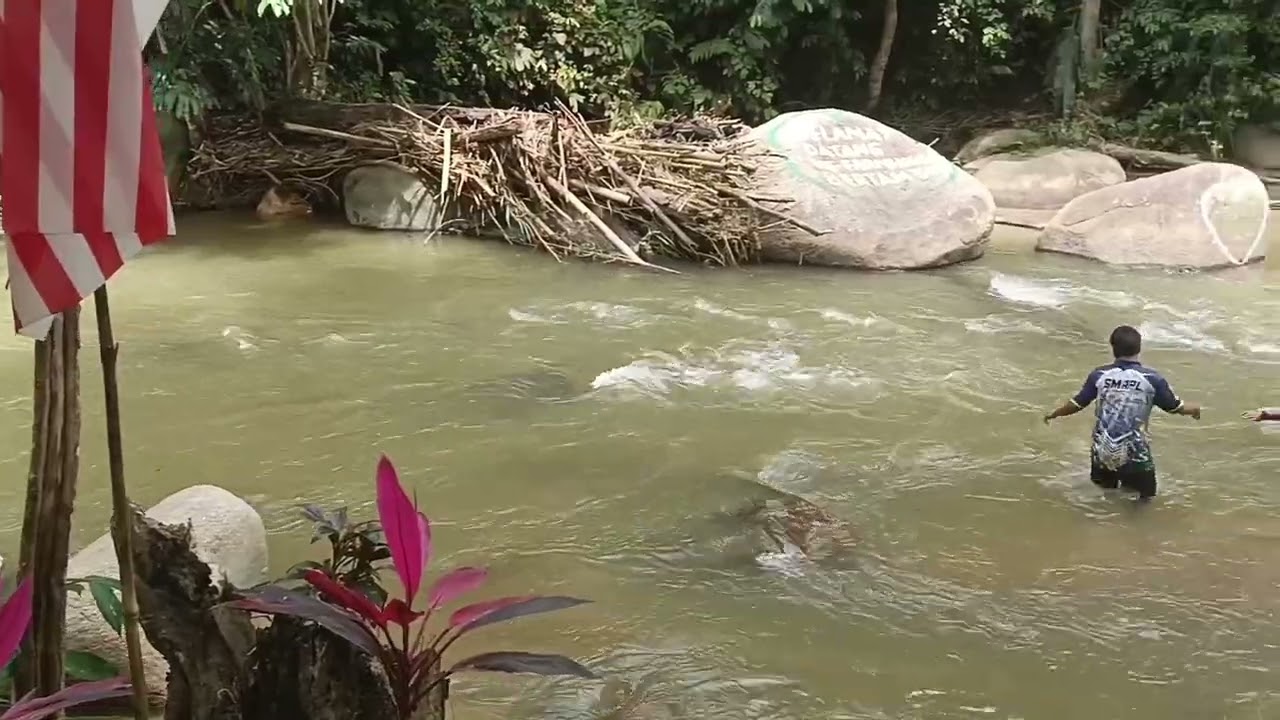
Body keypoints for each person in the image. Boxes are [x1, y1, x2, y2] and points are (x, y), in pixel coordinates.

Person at [1042, 325, 1201, 500]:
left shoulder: (1099, 375)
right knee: (1144, 500)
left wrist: (1055, 413)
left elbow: (1077, 403)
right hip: (1135, 454)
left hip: (1102, 452)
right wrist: (1194, 409)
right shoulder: (1152, 379)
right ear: (1139, 348)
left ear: (1113, 348)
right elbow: (1174, 407)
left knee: (1103, 497)